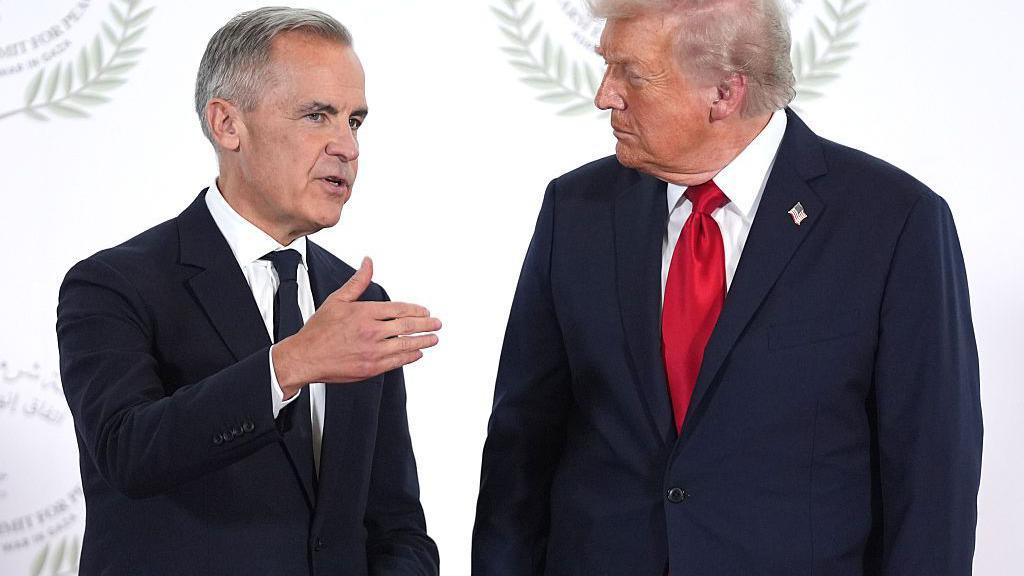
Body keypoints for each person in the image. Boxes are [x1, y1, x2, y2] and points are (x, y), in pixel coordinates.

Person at [472, 0, 982, 574]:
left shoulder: (892, 220)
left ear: (725, 92)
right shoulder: (576, 209)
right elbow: (521, 446)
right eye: (607, 66)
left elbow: (932, 472)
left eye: (631, 74)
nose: (605, 95)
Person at [56, 7, 440, 575]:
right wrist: (290, 364)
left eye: (354, 121)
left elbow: (395, 523)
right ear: (228, 124)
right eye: (317, 116)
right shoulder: (114, 284)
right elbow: (128, 451)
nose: (347, 148)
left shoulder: (359, 301)